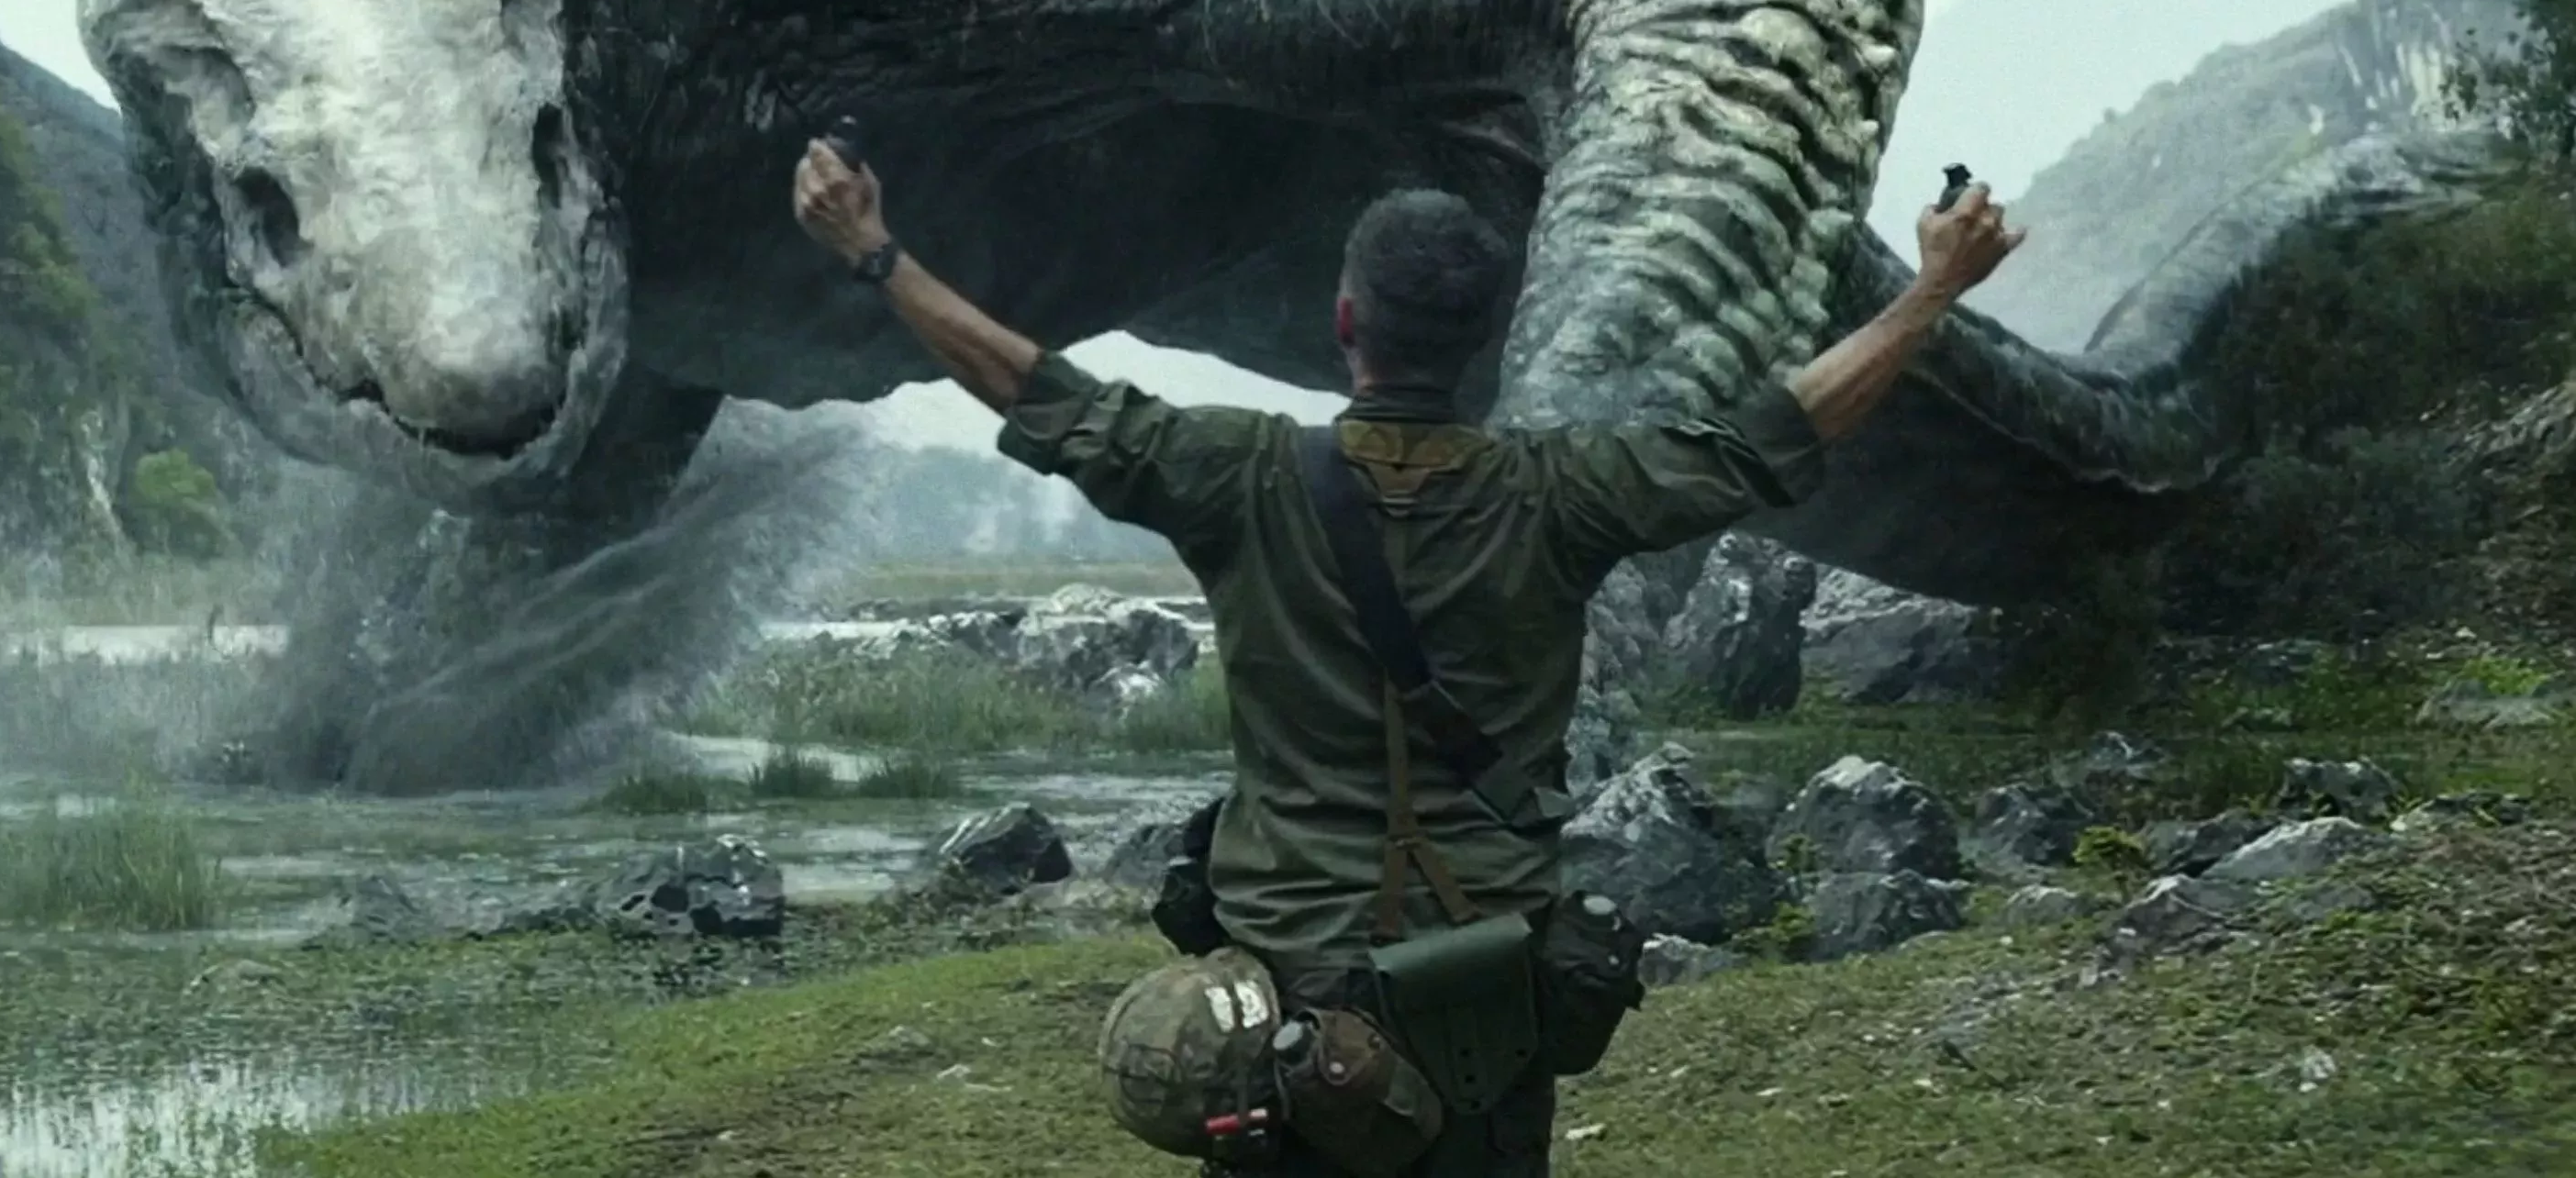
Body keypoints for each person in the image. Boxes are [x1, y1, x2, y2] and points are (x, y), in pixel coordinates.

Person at [791, 142, 2025, 1176]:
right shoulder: (1561, 493)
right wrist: (1929, 291)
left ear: (1344, 323)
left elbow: (1039, 393)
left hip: (1284, 1010)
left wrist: (875, 252)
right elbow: (1774, 435)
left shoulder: (1238, 476)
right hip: (1489, 1008)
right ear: (1480, 341)